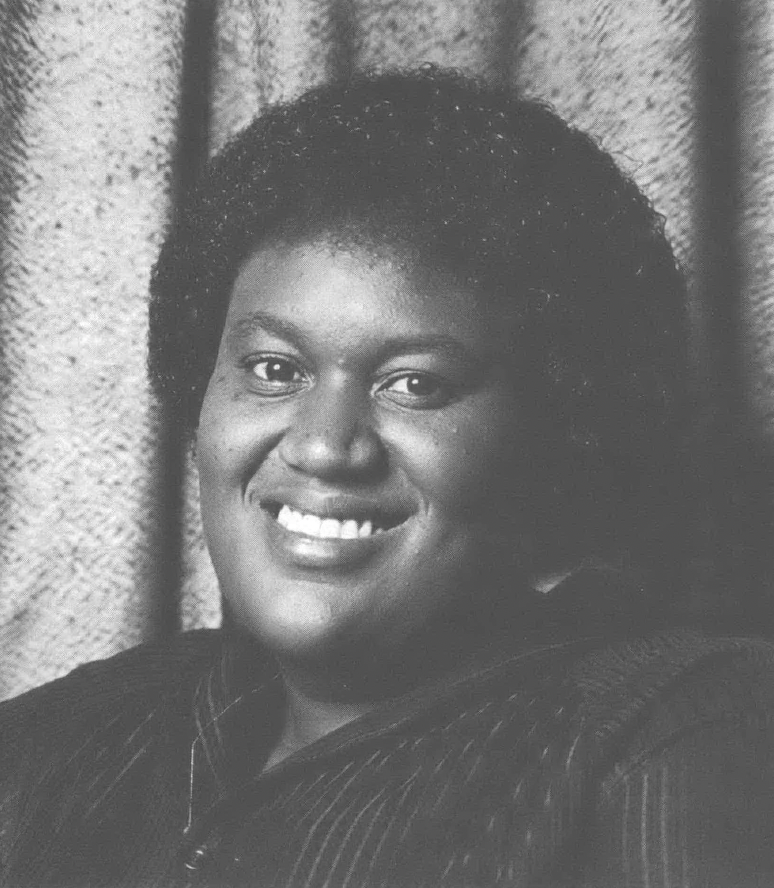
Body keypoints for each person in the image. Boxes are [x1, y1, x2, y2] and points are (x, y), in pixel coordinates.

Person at [0, 65, 772, 887]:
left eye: (415, 385)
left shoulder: (683, 731)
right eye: (272, 368)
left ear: (557, 437)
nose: (327, 448)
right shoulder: (65, 737)